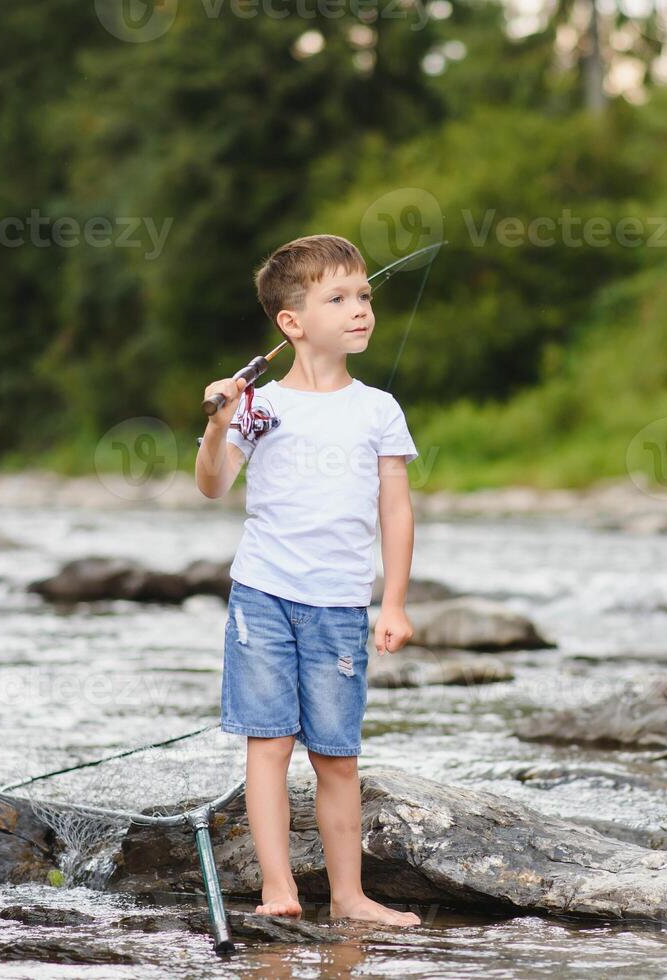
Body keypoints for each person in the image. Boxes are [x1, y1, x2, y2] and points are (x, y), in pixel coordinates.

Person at [195, 234, 421, 927]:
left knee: (336, 756)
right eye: (338, 298)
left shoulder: (377, 407)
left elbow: (396, 507)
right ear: (290, 323)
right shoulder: (259, 405)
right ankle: (277, 887)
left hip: (340, 607)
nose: (360, 310)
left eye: (364, 297)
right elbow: (212, 485)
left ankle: (349, 896)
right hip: (263, 596)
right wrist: (216, 424)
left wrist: (394, 603)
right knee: (268, 744)